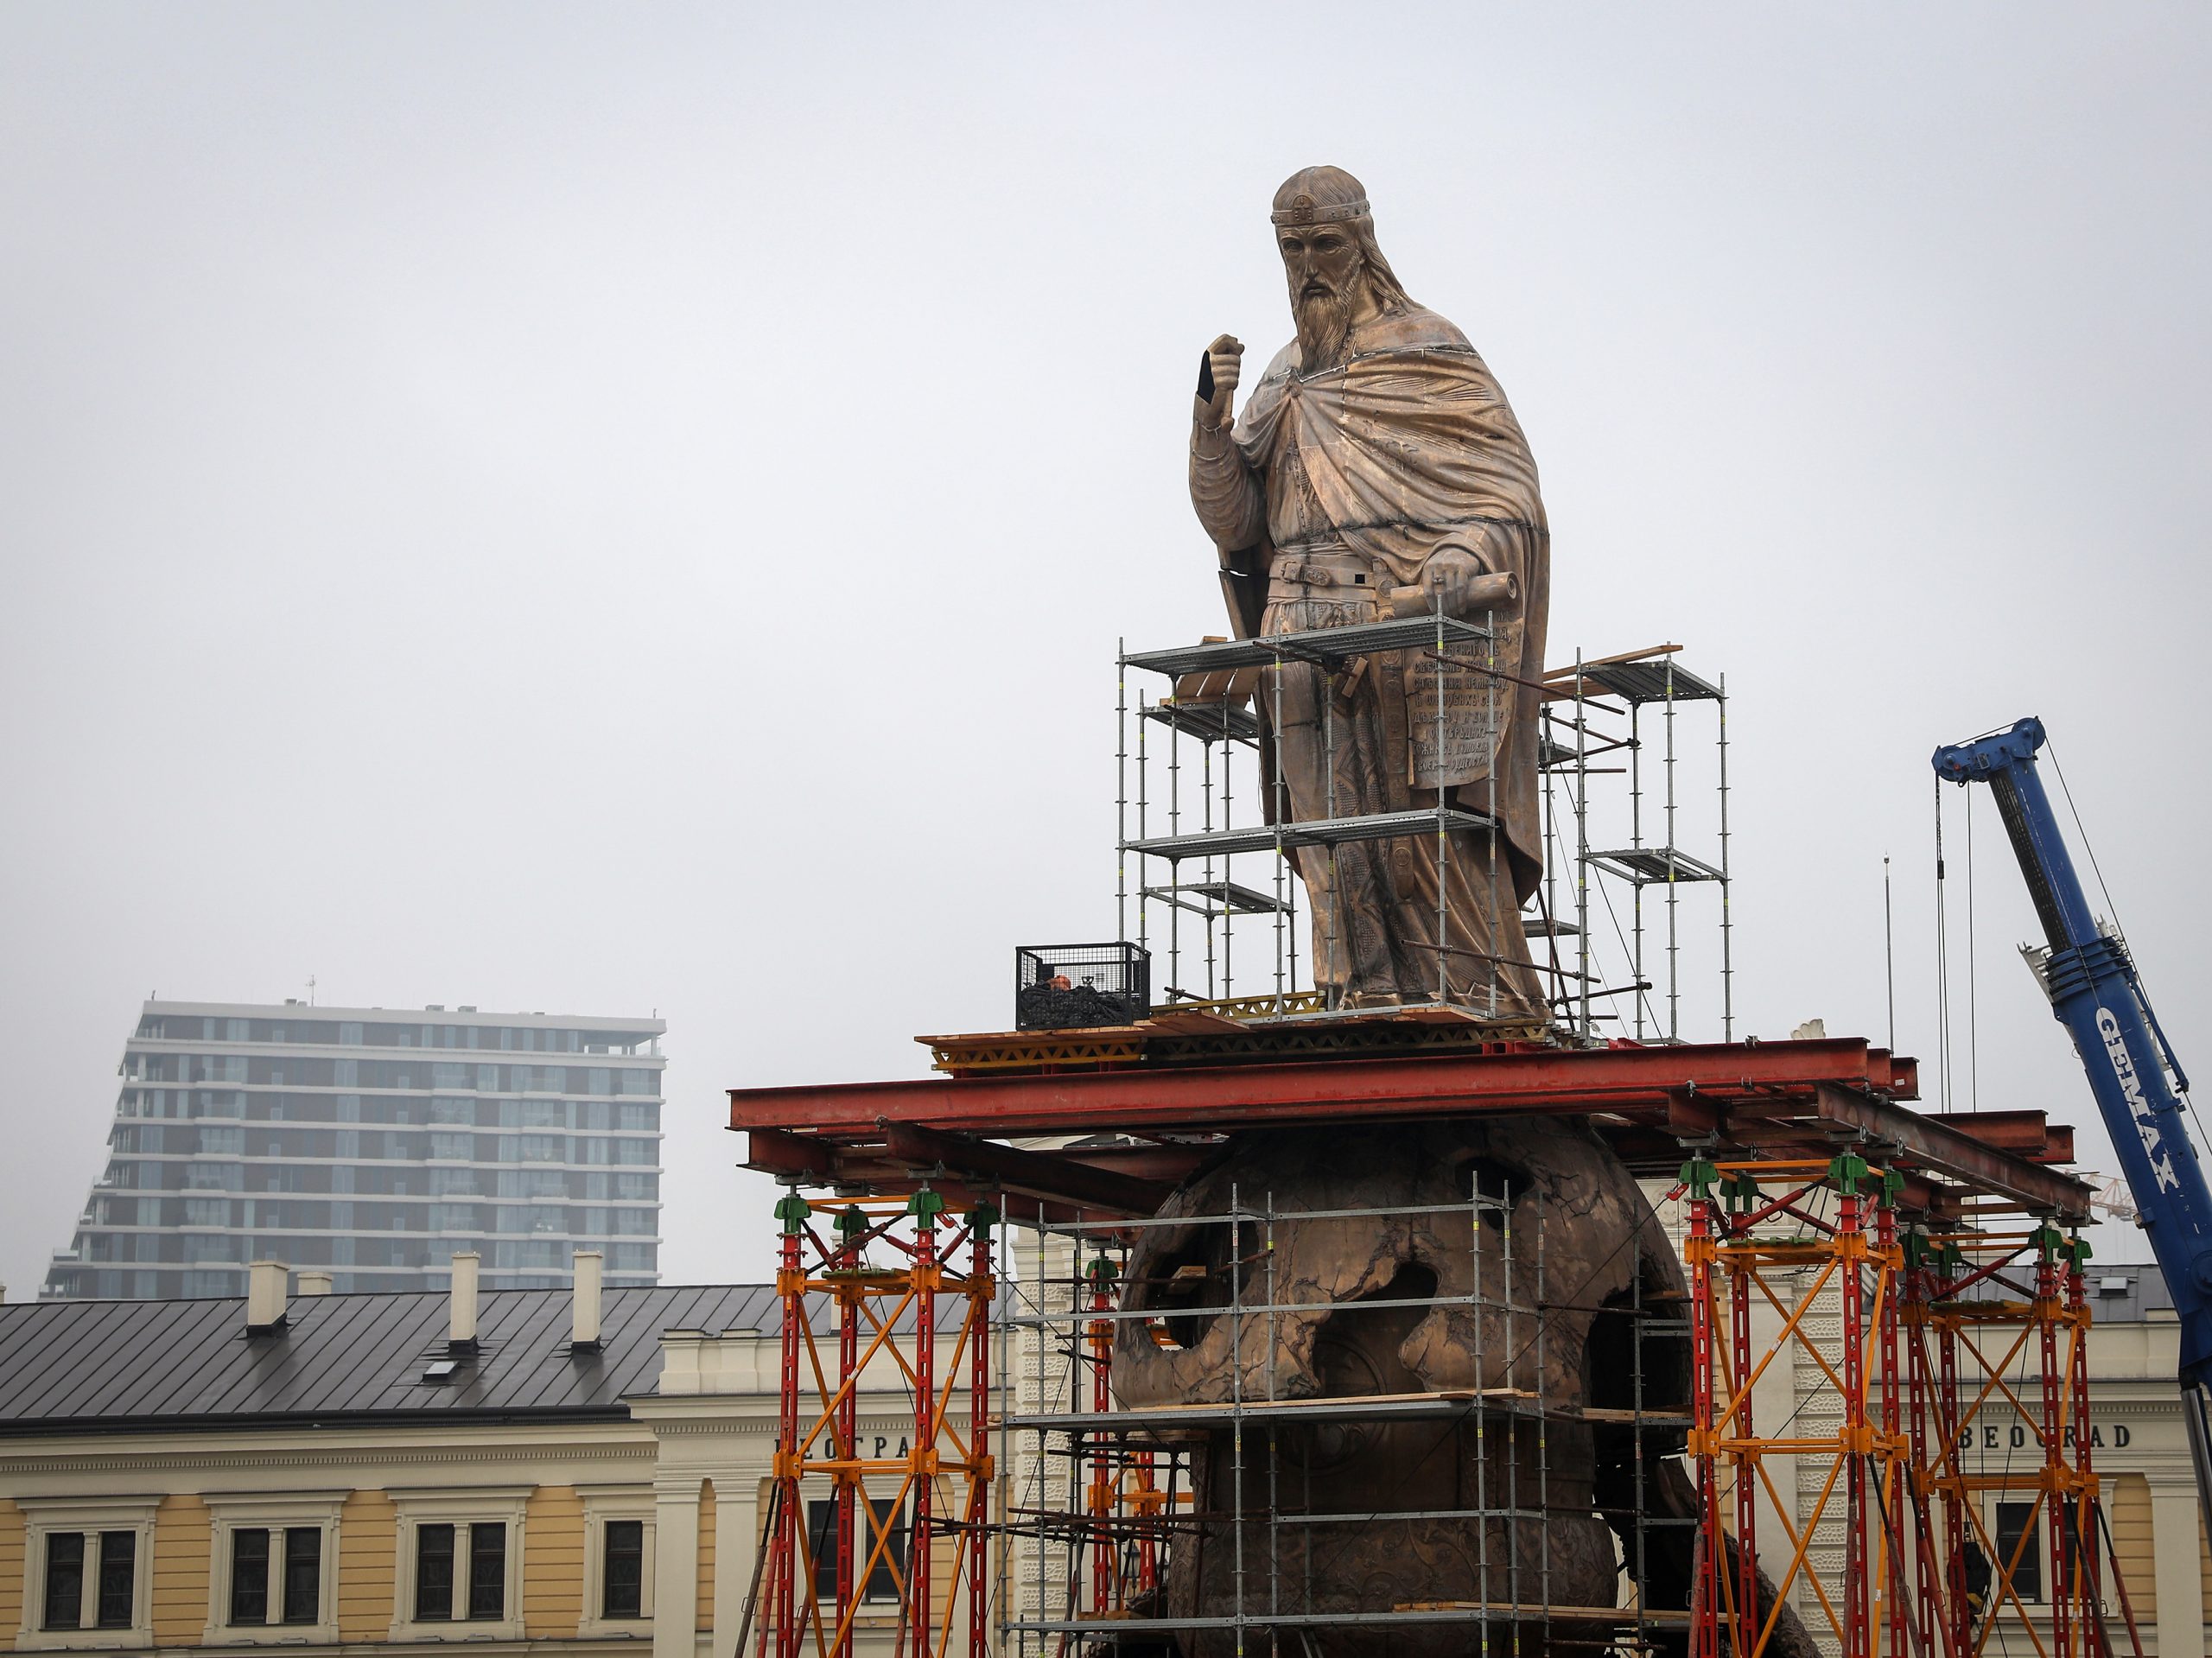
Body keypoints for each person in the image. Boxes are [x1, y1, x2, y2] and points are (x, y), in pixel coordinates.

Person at [1187, 165, 1549, 1014]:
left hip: (1400, 631)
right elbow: (1236, 522)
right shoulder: (1280, 378)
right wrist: (1209, 424)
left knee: (1419, 838)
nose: (1307, 263)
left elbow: (1508, 496)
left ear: (1362, 241)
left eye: (1324, 243)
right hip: (1299, 627)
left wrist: (1464, 548)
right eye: (1291, 248)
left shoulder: (1426, 350)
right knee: (1329, 844)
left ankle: (1464, 997)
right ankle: (1356, 997)